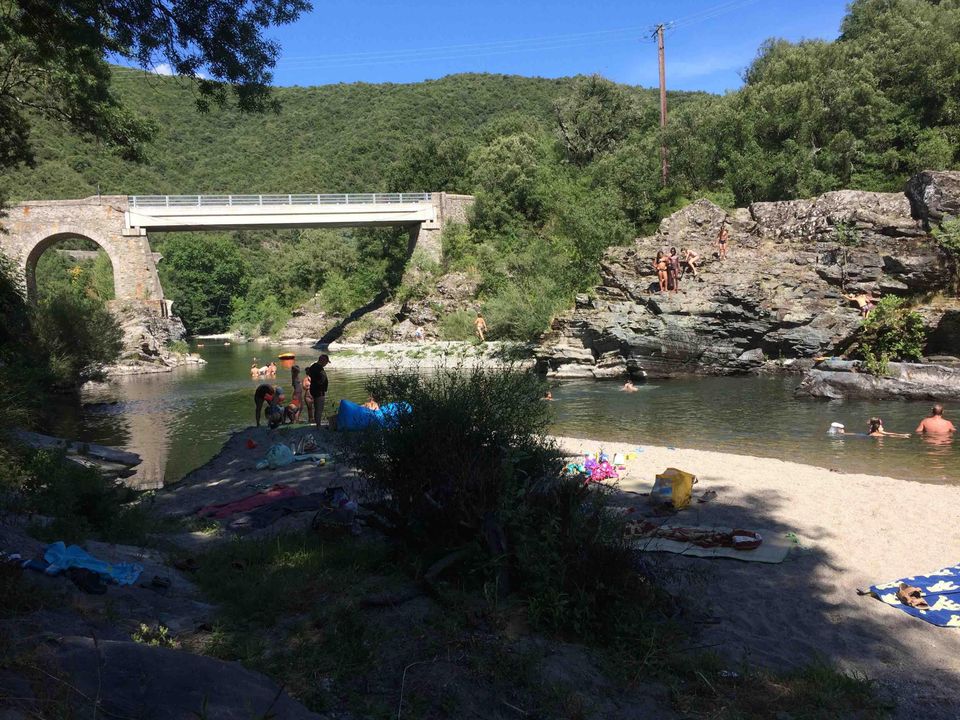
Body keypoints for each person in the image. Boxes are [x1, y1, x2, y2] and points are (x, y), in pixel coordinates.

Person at [305, 354, 330, 430]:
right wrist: (321, 386)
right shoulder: (318, 368)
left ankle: (317, 424)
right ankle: (318, 426)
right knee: (319, 408)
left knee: (317, 408)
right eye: (326, 362)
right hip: (319, 391)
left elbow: (309, 373)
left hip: (315, 389)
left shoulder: (313, 367)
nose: (326, 364)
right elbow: (321, 379)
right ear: (322, 360)